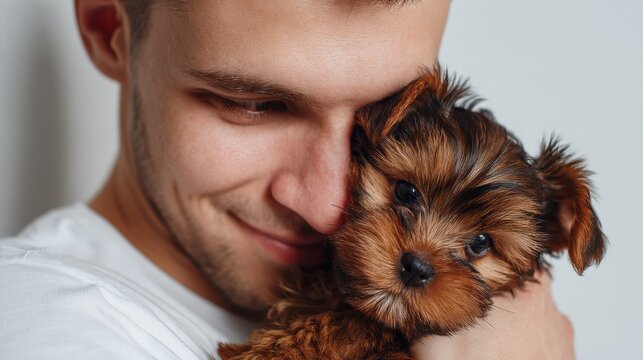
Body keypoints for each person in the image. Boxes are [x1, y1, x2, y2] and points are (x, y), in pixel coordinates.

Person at [0, 0, 574, 358]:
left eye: (382, 119)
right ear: (109, 31)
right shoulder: (47, 323)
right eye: (253, 104)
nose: (331, 208)